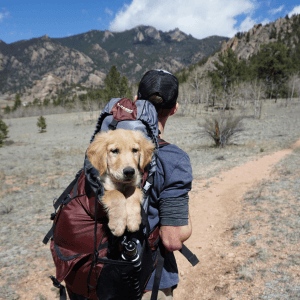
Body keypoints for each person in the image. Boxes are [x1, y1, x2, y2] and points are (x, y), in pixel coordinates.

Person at [136, 69, 193, 300]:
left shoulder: (105, 144)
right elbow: (172, 238)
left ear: (136, 101)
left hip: (91, 276)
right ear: (174, 108)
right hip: (147, 281)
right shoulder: (174, 159)